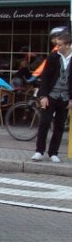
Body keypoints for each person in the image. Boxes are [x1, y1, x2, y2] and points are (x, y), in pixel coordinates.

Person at [31, 32, 72, 163]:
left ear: (68, 45)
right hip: (51, 95)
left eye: (60, 45)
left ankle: (53, 152)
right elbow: (45, 78)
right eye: (56, 45)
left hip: (65, 97)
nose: (57, 47)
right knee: (44, 122)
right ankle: (39, 151)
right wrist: (43, 95)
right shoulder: (53, 57)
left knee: (59, 125)